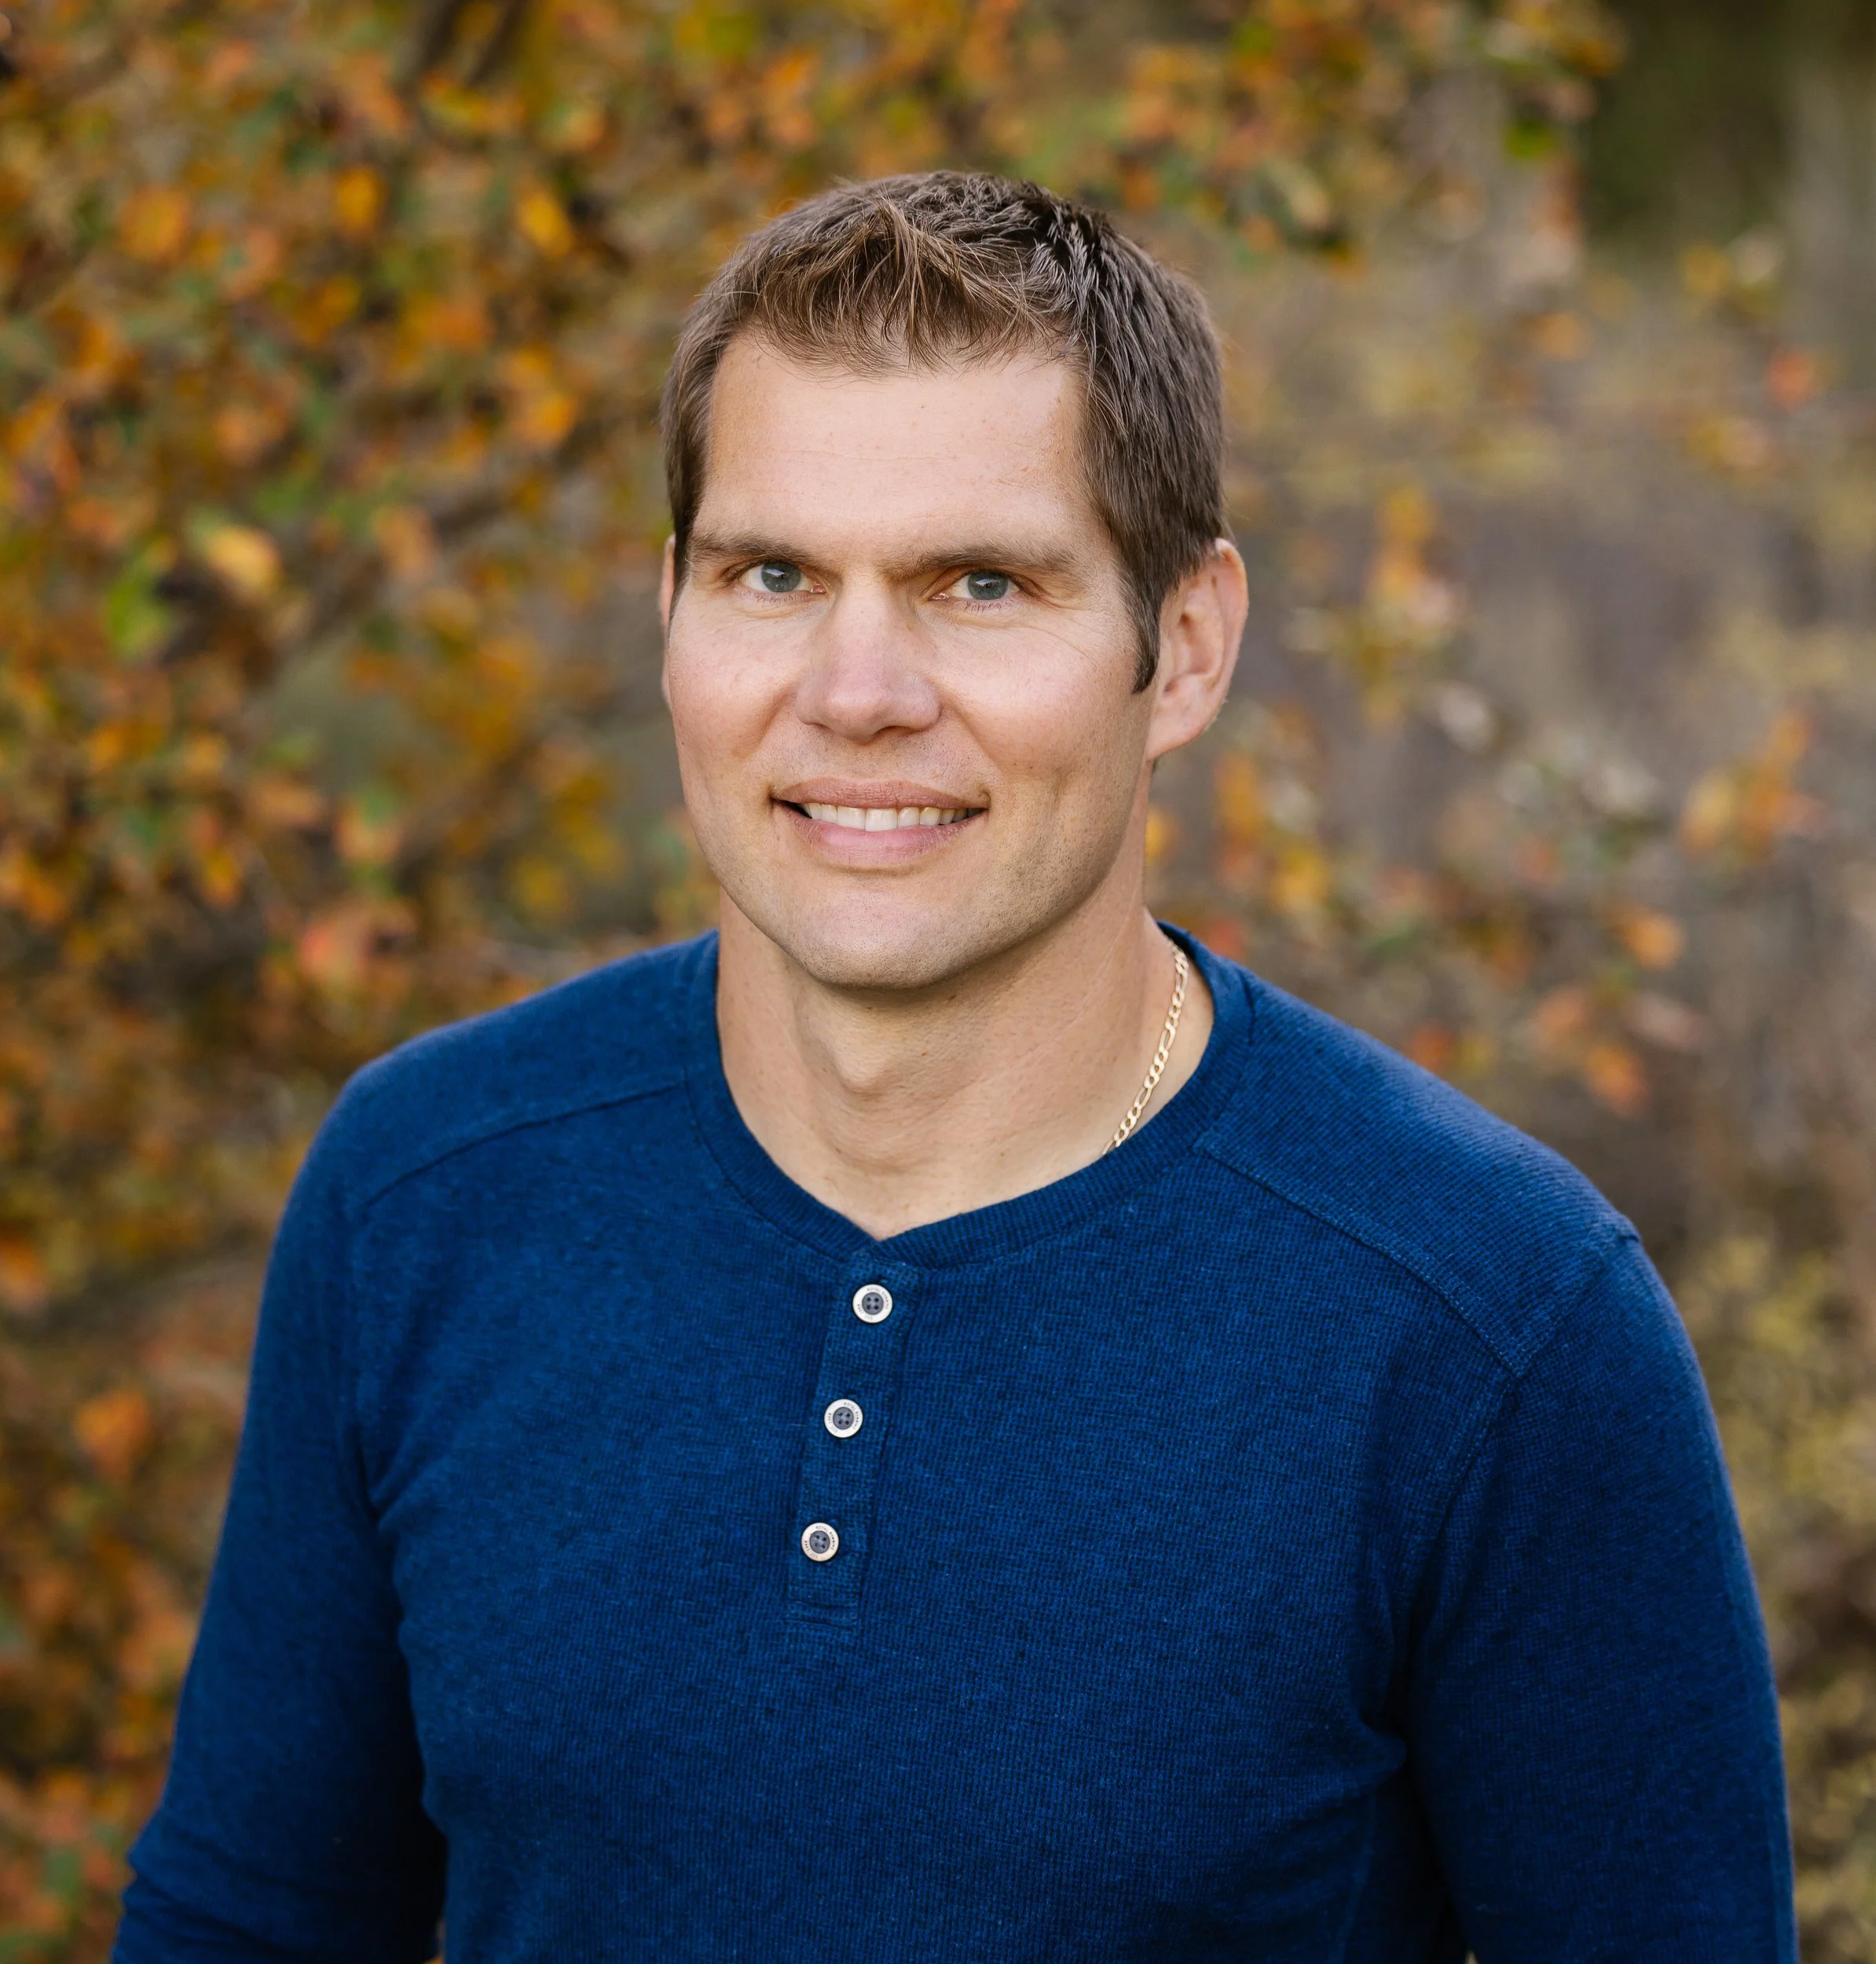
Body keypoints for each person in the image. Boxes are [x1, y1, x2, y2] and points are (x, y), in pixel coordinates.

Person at [115, 172, 1795, 1962]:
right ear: (668, 609)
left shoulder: (1491, 1322)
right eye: (772, 573)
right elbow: (244, 1922)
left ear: (1185, 645)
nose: (855, 690)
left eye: (977, 583)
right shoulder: (424, 1189)